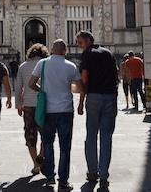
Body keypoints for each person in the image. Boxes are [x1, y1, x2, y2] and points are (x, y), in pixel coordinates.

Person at [29, 39, 84, 191]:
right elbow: (81, 88)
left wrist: (42, 90)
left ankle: (50, 176)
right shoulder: (71, 66)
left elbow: (31, 83)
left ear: (52, 50)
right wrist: (80, 103)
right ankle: (63, 181)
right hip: (65, 110)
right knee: (65, 146)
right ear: (65, 51)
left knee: (47, 143)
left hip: (48, 110)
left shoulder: (43, 63)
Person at [76, 31, 118, 189]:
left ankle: (92, 171)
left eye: (80, 42)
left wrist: (81, 101)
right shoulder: (108, 53)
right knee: (106, 136)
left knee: (92, 135)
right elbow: (116, 74)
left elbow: (84, 79)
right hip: (110, 97)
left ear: (87, 41)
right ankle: (104, 175)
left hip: (94, 97)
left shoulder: (88, 54)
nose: (79, 46)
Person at [15, 44, 49, 175]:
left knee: (30, 135)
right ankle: (41, 154)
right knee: (45, 133)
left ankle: (36, 164)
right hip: (44, 105)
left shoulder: (23, 66)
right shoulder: (46, 65)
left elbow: (18, 88)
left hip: (28, 105)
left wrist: (18, 104)